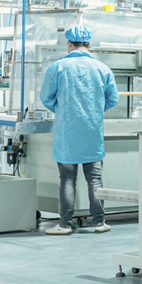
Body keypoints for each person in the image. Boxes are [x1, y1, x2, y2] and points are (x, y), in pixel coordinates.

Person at [40, 24, 119, 235]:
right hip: (92, 132)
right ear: (89, 44)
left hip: (67, 134)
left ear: (69, 44)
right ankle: (99, 223)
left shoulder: (58, 68)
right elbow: (113, 99)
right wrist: (95, 111)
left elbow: (46, 98)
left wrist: (63, 110)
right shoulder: (103, 69)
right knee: (95, 180)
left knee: (67, 179)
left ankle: (65, 225)